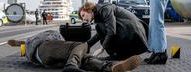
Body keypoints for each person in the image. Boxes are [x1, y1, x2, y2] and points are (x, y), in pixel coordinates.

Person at [8, 30, 142, 72]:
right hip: (45, 48)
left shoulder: (30, 45)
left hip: (47, 60)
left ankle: (112, 67)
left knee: (84, 59)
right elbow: (22, 42)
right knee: (79, 46)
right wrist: (16, 42)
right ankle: (71, 65)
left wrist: (16, 43)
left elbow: (21, 43)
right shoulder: (41, 38)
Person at [78, 2, 148, 61]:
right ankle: (123, 55)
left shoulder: (104, 9)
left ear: (89, 10)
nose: (84, 19)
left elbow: (111, 31)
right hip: (130, 31)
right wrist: (87, 44)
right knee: (100, 28)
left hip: (133, 32)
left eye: (83, 15)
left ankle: (119, 56)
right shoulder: (99, 13)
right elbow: (99, 34)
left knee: (101, 29)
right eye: (82, 18)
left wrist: (102, 48)